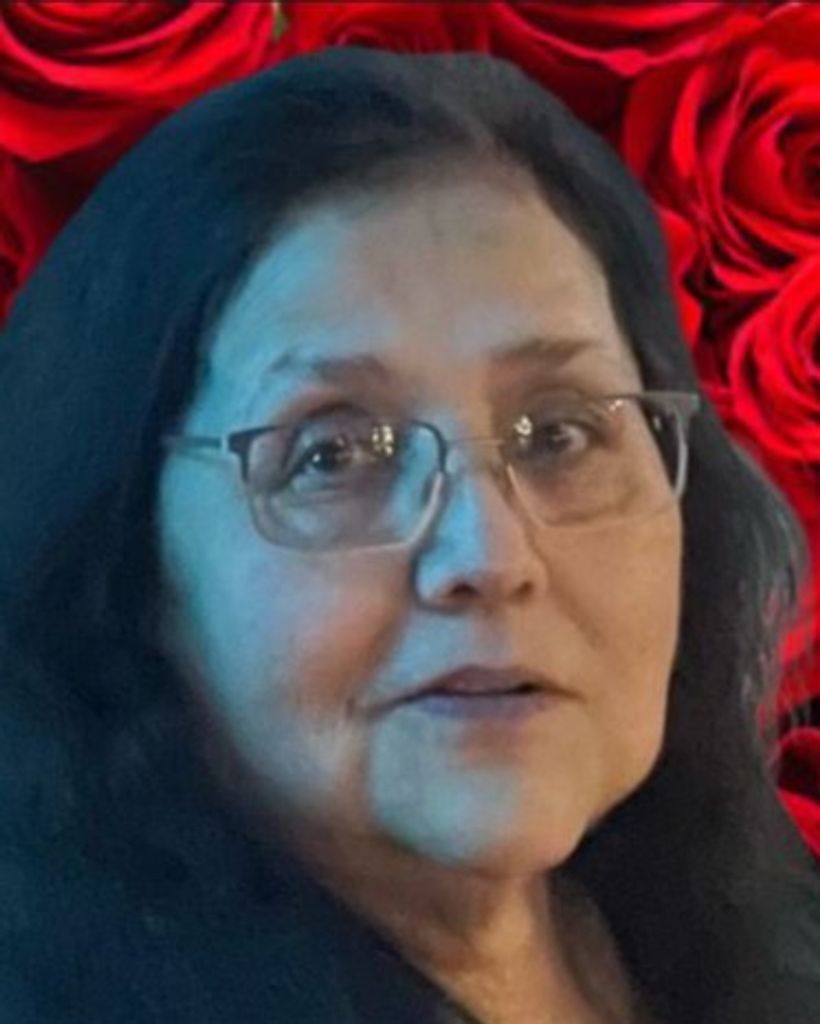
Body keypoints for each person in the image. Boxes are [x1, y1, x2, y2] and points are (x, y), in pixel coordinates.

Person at [0, 45, 817, 1024]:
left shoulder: (764, 941)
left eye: (559, 433)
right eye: (333, 454)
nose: (490, 556)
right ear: (132, 571)